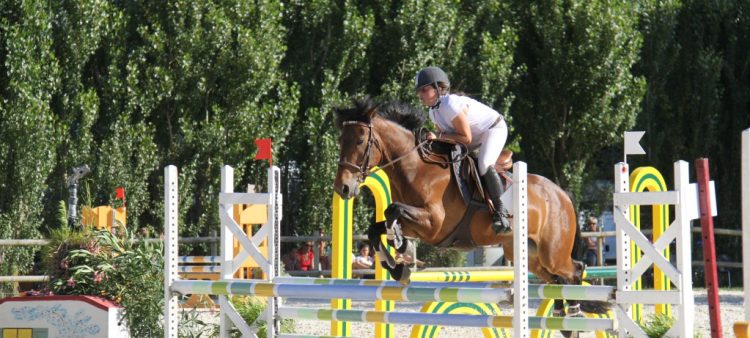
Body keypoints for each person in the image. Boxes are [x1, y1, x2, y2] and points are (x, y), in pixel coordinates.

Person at [415, 66, 510, 234]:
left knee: (484, 164)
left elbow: (466, 138)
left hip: (493, 128)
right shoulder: (433, 112)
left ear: (438, 88)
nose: (420, 95)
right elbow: (447, 138)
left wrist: (438, 136)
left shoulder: (450, 104)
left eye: (424, 89)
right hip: (475, 135)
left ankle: (501, 212)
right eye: (419, 91)